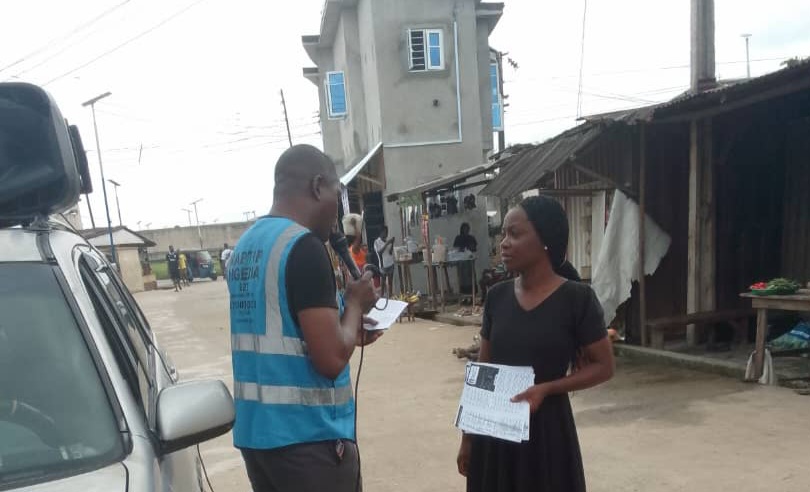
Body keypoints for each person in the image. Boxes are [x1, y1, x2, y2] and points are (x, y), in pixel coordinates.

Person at [228, 144, 382, 492]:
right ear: (317, 187)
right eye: (336, 194)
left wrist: (346, 324)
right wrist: (355, 304)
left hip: (259, 438)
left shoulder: (246, 247)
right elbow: (329, 360)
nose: (338, 212)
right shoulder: (304, 247)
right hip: (308, 441)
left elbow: (284, 327)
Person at [457, 195, 615, 492]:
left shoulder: (577, 299)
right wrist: (468, 437)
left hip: (547, 435)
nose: (504, 243)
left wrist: (549, 388)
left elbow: (604, 367)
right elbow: (483, 369)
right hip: (495, 432)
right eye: (503, 234)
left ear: (545, 240)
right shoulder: (497, 297)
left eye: (515, 234)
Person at [454, 223, 478, 296]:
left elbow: (474, 248)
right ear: (461, 229)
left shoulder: (471, 238)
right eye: (465, 228)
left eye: (467, 228)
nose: (466, 230)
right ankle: (464, 297)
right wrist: (461, 250)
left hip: (469, 262)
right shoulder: (458, 238)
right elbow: (456, 248)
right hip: (461, 262)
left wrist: (469, 248)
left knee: (470, 279)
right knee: (462, 280)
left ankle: (471, 297)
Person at [374, 226, 395, 297]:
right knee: (382, 283)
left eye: (387, 232)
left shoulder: (387, 240)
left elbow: (390, 252)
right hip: (383, 265)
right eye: (385, 232)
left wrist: (392, 244)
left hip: (390, 263)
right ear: (381, 233)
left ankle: (391, 296)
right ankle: (382, 297)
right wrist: (387, 243)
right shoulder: (377, 242)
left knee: (390, 282)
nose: (386, 234)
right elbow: (379, 252)